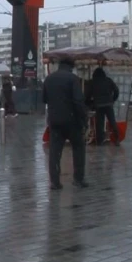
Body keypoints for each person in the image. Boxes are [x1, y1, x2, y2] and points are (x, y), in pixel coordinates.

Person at [43, 57, 88, 190]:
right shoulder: (73, 79)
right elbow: (78, 101)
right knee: (78, 149)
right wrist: (83, 119)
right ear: (71, 66)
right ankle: (78, 179)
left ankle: (55, 182)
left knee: (55, 152)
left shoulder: (49, 79)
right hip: (72, 121)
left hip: (55, 121)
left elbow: (44, 99)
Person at [88, 67, 120, 145]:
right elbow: (116, 90)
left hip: (98, 105)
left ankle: (99, 141)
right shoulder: (108, 80)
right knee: (112, 121)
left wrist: (90, 103)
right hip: (109, 104)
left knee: (99, 123)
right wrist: (113, 99)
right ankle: (117, 139)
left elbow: (88, 94)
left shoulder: (93, 82)